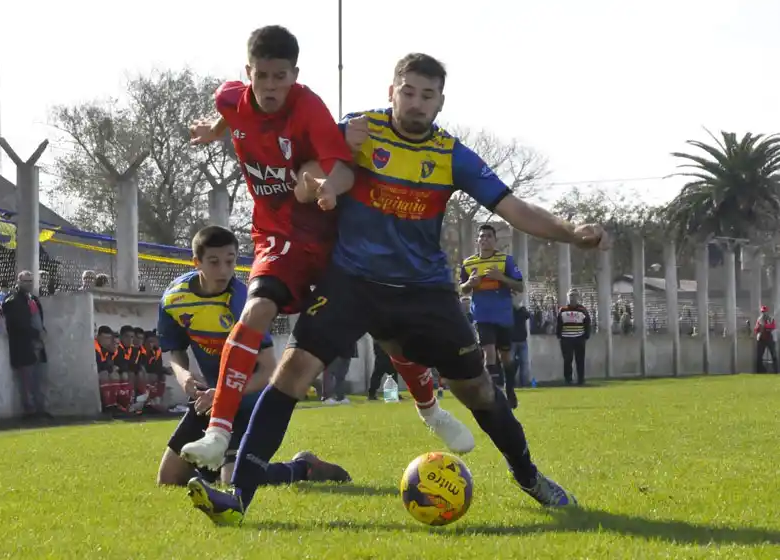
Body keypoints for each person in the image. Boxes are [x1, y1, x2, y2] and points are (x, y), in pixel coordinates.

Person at [187, 53, 609, 525]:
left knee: (478, 390)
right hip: (351, 282)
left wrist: (571, 230)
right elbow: (311, 164)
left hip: (423, 291)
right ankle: (237, 497)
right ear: (392, 92)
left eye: (426, 95)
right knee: (291, 373)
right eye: (407, 91)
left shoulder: (451, 155)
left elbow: (514, 208)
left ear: (440, 102)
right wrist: (318, 183)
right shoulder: (360, 129)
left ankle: (529, 476)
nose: (415, 103)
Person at [181, 26, 472, 470]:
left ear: (295, 75)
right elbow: (230, 111)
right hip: (277, 236)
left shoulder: (310, 108)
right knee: (255, 311)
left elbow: (344, 168)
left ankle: (431, 410)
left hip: (332, 238)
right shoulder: (228, 98)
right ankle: (218, 433)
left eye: (281, 76)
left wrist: (326, 187)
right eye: (263, 76)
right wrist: (215, 128)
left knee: (390, 335)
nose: (272, 86)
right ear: (248, 73)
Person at [157, 225, 349, 487]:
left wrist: (223, 393)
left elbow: (268, 370)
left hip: (248, 403)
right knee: (169, 480)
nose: (224, 270)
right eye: (214, 262)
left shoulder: (245, 303)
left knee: (233, 481)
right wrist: (184, 376)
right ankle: (214, 467)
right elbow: (175, 350)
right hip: (209, 402)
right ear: (196, 262)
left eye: (230, 261)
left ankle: (304, 467)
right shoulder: (174, 299)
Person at [460, 224, 524, 408]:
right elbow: (462, 288)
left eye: (488, 236)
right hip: (481, 315)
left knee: (506, 357)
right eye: (482, 236)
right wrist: (470, 283)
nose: (485, 239)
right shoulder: (469, 263)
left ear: (495, 240)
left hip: (503, 315)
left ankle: (510, 390)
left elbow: (519, 286)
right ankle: (495, 396)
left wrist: (501, 277)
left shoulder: (506, 261)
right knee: (489, 354)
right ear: (477, 240)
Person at [1, 270, 49, 419]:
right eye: (25, 281)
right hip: (23, 345)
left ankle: (40, 409)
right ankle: (30, 411)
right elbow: (18, 324)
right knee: (27, 380)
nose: (28, 284)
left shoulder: (33, 299)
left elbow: (38, 319)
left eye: (30, 281)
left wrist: (42, 332)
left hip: (37, 345)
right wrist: (36, 333)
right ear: (18, 281)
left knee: (38, 378)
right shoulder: (13, 300)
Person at [556, 288, 592, 385]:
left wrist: (586, 336)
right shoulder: (562, 310)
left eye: (575, 296)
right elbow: (559, 324)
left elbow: (587, 323)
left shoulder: (582, 310)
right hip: (566, 339)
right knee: (568, 359)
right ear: (568, 297)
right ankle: (568, 379)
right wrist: (559, 336)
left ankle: (581, 379)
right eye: (571, 296)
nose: (572, 298)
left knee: (580, 360)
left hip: (579, 338)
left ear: (578, 298)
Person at [511, 293, 531, 388]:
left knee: (524, 362)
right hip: (511, 341)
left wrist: (518, 307)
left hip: (522, 340)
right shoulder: (508, 310)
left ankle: (524, 383)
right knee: (510, 363)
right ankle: (511, 383)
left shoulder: (521, 309)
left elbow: (527, 316)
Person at [754, 305, 777, 373]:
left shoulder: (770, 318)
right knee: (759, 356)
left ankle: (776, 370)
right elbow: (755, 329)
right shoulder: (759, 319)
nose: (763, 313)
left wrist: (765, 326)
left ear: (767, 312)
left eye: (764, 311)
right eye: (762, 312)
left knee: (774, 355)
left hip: (769, 338)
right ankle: (761, 371)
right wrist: (758, 328)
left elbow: (773, 326)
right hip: (761, 339)